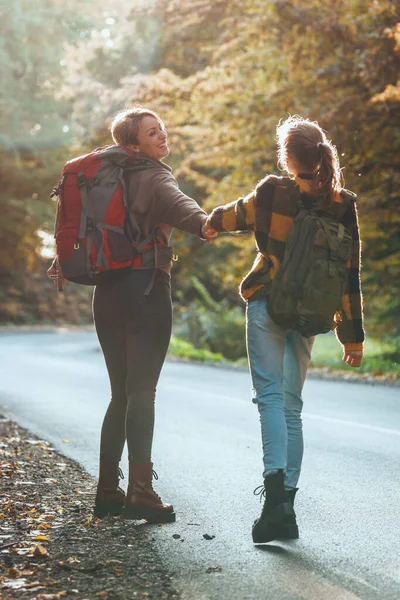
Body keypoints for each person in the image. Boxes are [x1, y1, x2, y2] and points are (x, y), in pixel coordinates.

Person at [48, 107, 214, 523]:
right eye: (152, 132)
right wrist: (209, 224)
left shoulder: (100, 175)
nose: (162, 136)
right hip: (147, 292)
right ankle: (141, 491)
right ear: (133, 144)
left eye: (162, 129)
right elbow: (183, 207)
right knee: (142, 392)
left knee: (119, 394)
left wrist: (61, 260)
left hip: (106, 295)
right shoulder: (155, 176)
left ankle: (107, 492)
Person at [204, 116, 364, 543]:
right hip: (311, 314)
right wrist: (353, 336)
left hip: (269, 303)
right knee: (292, 406)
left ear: (287, 156)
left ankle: (273, 498)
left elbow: (233, 215)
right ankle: (287, 508)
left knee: (270, 399)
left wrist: (209, 224)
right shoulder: (342, 202)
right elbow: (350, 273)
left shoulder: (273, 190)